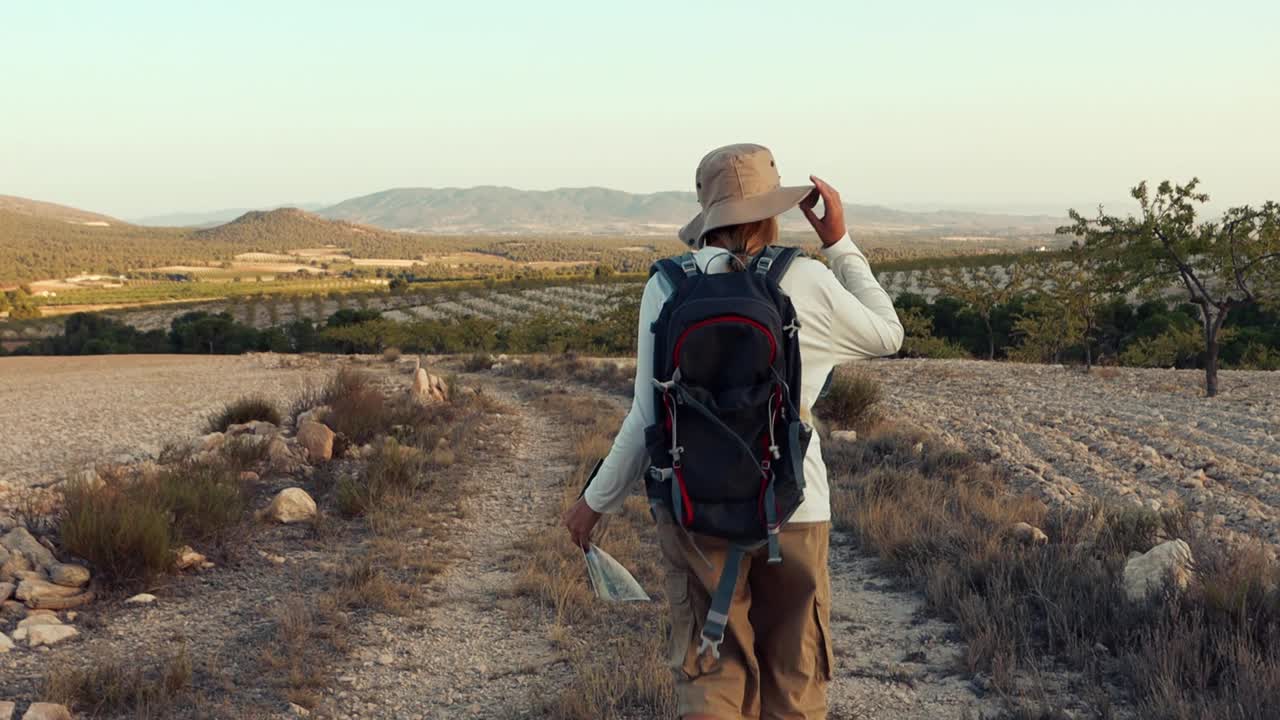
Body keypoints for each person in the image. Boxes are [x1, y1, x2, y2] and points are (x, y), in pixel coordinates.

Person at [563, 143, 903, 719]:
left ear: (708, 215)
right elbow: (888, 333)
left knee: (712, 678)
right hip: (794, 507)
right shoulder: (808, 281)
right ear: (774, 210)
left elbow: (646, 415)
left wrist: (594, 504)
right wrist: (839, 244)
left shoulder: (667, 288)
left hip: (695, 511)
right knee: (795, 684)